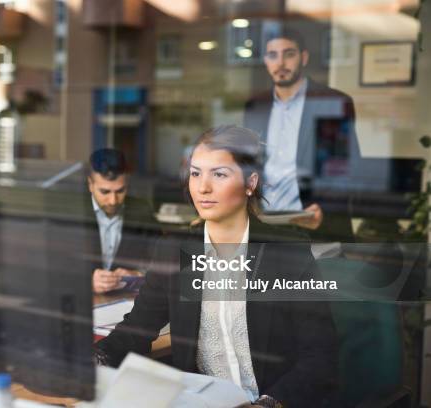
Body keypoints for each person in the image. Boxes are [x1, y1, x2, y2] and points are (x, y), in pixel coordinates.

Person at [95, 126, 337, 407]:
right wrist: (91, 361)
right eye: (196, 173)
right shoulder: (175, 251)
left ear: (250, 184)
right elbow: (136, 330)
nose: (202, 187)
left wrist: (268, 404)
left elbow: (321, 359)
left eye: (219, 174)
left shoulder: (286, 253)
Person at [244, 28, 360, 242]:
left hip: (316, 226)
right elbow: (249, 164)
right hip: (265, 227)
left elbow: (342, 167)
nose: (280, 63)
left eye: (289, 54)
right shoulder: (255, 106)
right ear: (265, 61)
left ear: (303, 57)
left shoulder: (331, 102)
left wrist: (324, 210)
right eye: (272, 55)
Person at [86, 148, 156, 293]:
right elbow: (53, 264)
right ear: (90, 185)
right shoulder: (73, 210)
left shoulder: (141, 210)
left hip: (125, 300)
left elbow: (161, 259)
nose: (113, 201)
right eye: (105, 192)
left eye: (120, 191)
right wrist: (85, 281)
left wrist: (139, 275)